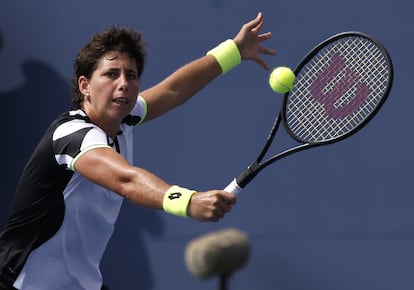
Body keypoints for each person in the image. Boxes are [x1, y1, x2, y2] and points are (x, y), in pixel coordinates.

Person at [0, 12, 276, 290]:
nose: (123, 83)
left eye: (130, 75)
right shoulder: (71, 135)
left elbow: (174, 90)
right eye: (110, 74)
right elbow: (126, 179)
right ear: (85, 86)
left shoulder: (124, 118)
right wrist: (188, 201)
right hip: (21, 283)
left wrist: (234, 51)